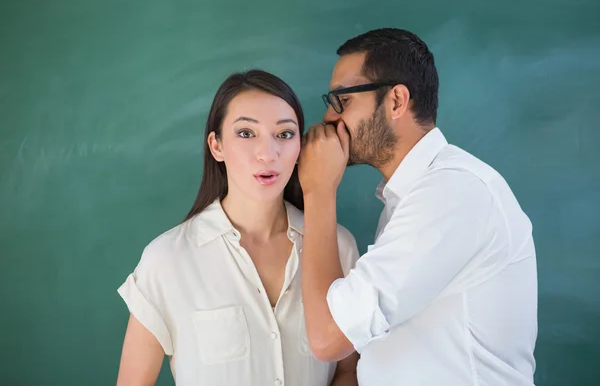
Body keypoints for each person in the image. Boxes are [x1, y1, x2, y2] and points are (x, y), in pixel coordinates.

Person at [297, 28, 538, 385]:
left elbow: (328, 336)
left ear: (396, 101)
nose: (330, 119)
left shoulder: (452, 192)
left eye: (342, 101)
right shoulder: (412, 196)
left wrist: (318, 190)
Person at [116, 69, 360, 386]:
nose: (268, 153)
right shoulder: (167, 260)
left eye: (284, 134)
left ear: (301, 146)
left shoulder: (338, 246)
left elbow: (348, 370)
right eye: (246, 133)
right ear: (216, 146)